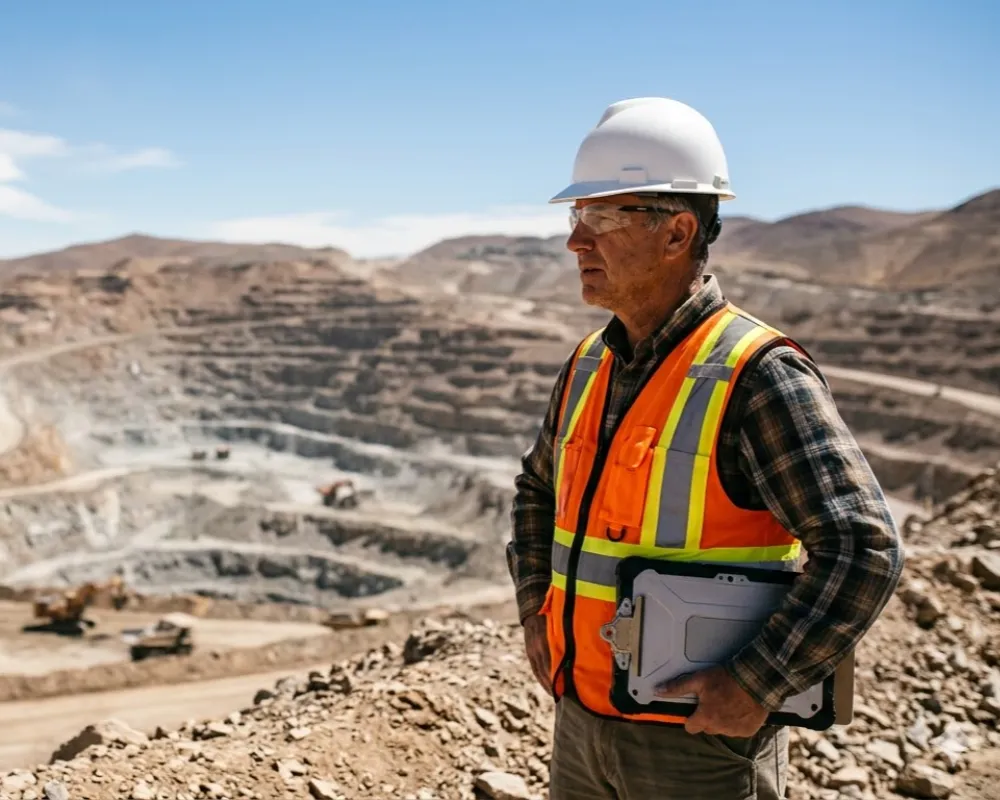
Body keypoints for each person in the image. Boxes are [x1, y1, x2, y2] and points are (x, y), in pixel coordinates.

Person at [506, 97, 904, 799]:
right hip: (580, 724)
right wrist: (536, 605)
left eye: (600, 217)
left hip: (698, 747)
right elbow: (536, 490)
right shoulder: (588, 365)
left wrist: (756, 683)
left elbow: (863, 546)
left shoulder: (756, 374)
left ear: (677, 232)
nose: (575, 241)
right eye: (576, 218)